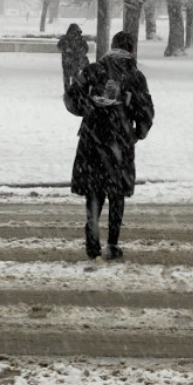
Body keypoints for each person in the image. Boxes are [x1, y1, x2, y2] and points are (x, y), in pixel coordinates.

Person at [64, 31, 154, 262]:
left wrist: (89, 106)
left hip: (92, 139)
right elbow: (146, 111)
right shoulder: (135, 77)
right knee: (116, 193)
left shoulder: (93, 71)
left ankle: (92, 226)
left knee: (94, 188)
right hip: (119, 142)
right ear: (131, 50)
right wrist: (137, 134)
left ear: (111, 47)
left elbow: (71, 98)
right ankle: (113, 244)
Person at [57, 23, 89, 95]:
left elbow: (86, 49)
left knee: (72, 76)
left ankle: (71, 91)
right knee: (70, 76)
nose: (74, 34)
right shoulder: (67, 38)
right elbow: (59, 46)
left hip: (72, 60)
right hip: (69, 61)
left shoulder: (79, 39)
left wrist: (78, 52)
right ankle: (70, 91)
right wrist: (66, 49)